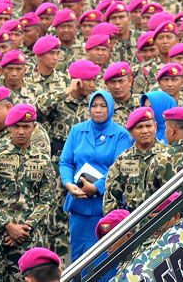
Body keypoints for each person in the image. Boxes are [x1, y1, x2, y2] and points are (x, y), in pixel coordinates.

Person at [0, 104, 57, 281]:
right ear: (9, 127)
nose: (21, 131)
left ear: (34, 127)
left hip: (27, 238)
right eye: (16, 126)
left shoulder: (43, 160)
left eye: (26, 126)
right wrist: (8, 225)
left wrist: (24, 229)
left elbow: (47, 200)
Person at [59, 90, 132, 262]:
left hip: (104, 207)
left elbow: (119, 169)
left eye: (103, 106)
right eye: (94, 106)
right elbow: (66, 162)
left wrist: (97, 187)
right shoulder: (77, 131)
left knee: (103, 258)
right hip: (78, 203)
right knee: (79, 257)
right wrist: (69, 184)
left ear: (111, 109)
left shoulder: (120, 134)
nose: (98, 110)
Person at [103, 107, 167, 214]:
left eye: (148, 126)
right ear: (131, 132)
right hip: (132, 222)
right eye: (139, 127)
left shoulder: (167, 155)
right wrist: (118, 222)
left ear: (155, 126)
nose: (145, 131)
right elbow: (111, 197)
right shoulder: (123, 160)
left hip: (161, 220)